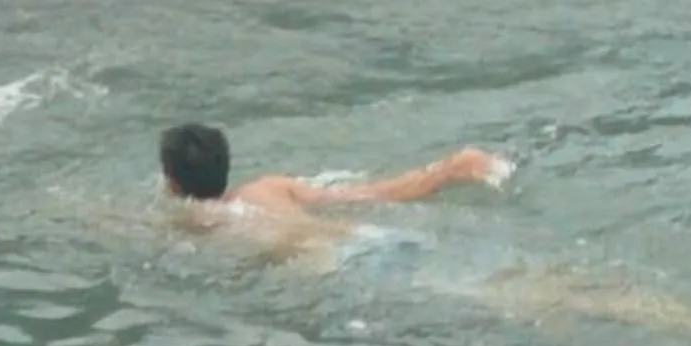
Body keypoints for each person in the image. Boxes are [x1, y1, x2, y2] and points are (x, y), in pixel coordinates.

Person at [158, 123, 510, 221]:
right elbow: (370, 194)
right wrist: (446, 171)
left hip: (336, 267)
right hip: (365, 237)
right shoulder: (271, 187)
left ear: (172, 183)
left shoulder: (195, 222)